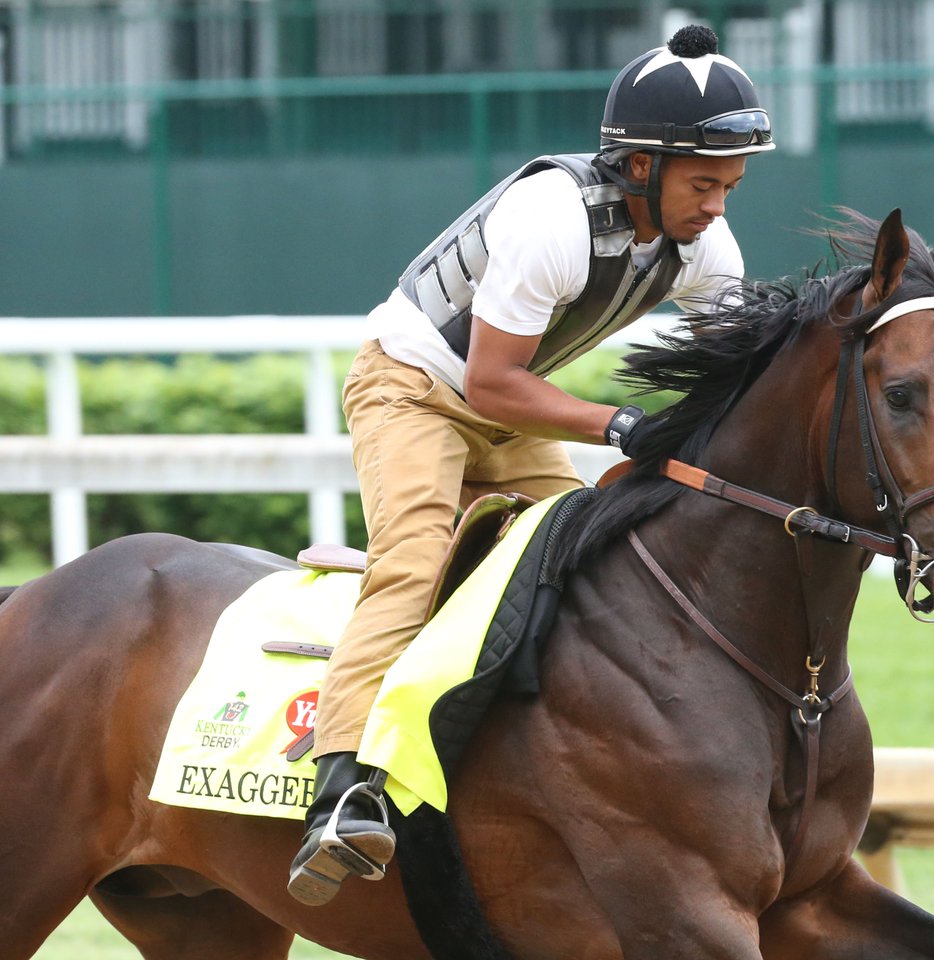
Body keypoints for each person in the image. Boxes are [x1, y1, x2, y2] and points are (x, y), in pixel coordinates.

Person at [287, 22, 775, 906]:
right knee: (415, 563)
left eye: (731, 187)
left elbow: (743, 367)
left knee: (593, 560)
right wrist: (621, 424)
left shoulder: (706, 246)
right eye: (704, 183)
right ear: (639, 167)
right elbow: (494, 383)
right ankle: (342, 789)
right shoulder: (550, 218)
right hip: (417, 390)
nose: (716, 207)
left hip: (507, 402)